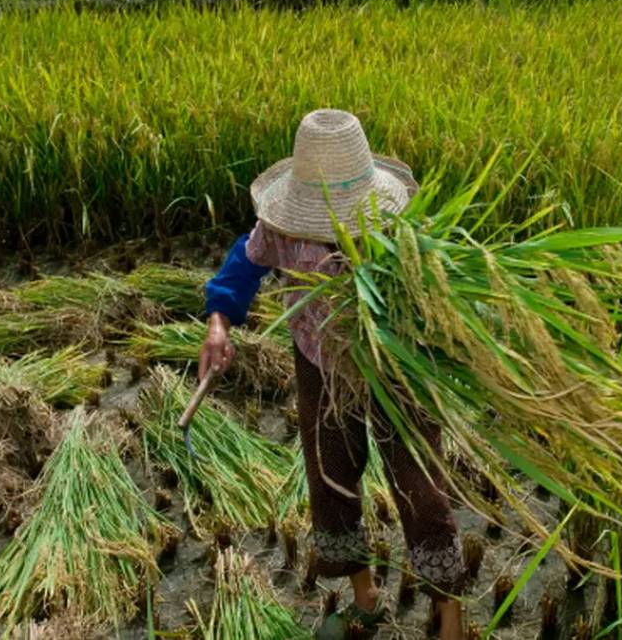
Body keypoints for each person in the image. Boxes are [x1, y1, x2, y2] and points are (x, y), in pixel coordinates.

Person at [199, 109, 467, 640]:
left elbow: (439, 292)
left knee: (420, 486)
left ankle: (451, 615)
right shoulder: (282, 228)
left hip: (395, 365)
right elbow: (243, 264)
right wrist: (218, 324)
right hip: (319, 362)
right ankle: (364, 596)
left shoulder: (397, 229)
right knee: (330, 477)